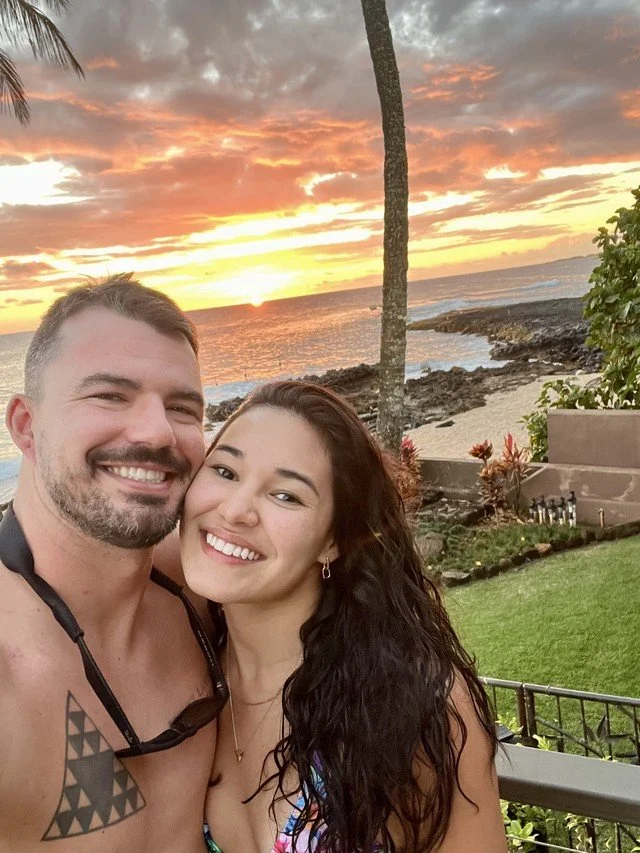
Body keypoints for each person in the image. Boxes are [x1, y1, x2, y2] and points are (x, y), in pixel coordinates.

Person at [180, 381, 506, 853]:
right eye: (226, 471)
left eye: (286, 496)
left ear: (334, 541)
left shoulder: (414, 702)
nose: (234, 511)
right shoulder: (185, 669)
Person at [0, 274, 227, 853]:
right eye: (109, 395)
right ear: (25, 425)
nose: (157, 432)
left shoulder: (211, 584)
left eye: (183, 408)